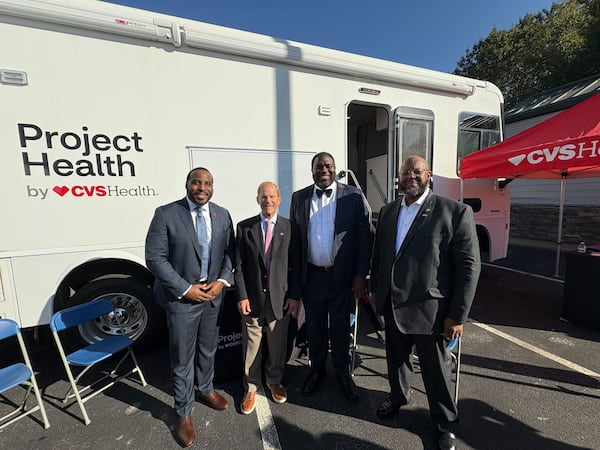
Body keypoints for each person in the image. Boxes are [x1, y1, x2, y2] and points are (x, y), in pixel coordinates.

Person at [370, 155, 481, 450]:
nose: (411, 176)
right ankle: (398, 396)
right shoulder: (388, 210)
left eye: (416, 171)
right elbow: (379, 256)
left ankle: (445, 423)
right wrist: (373, 289)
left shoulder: (454, 212)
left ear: (428, 175)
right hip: (392, 305)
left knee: (437, 372)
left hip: (431, 311)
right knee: (396, 359)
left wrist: (457, 316)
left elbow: (469, 267)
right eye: (406, 172)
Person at [145, 167, 235, 448]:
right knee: (183, 357)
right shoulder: (166, 214)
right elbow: (155, 258)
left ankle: (206, 389)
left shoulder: (222, 214)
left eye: (207, 183)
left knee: (208, 348)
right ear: (187, 184)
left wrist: (221, 281)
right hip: (182, 299)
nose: (202, 187)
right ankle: (183, 411)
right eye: (197, 182)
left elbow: (230, 253)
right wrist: (186, 288)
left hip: (212, 296)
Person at [289, 152, 371, 403]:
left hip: (341, 276)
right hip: (312, 276)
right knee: (314, 327)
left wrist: (360, 275)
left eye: (328, 166)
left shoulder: (353, 196)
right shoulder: (299, 197)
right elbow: (295, 242)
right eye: (318, 166)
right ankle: (316, 370)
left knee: (339, 327)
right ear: (311, 170)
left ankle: (343, 373)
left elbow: (364, 237)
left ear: (335, 169)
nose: (323, 170)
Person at [234, 181, 300, 414]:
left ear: (279, 199)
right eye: (263, 196)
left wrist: (294, 296)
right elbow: (239, 267)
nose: (268, 200)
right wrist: (242, 295)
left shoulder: (291, 227)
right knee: (252, 346)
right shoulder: (244, 228)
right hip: (252, 300)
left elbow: (296, 266)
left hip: (280, 300)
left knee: (277, 344)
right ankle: (251, 386)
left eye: (272, 196)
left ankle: (274, 380)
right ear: (257, 199)